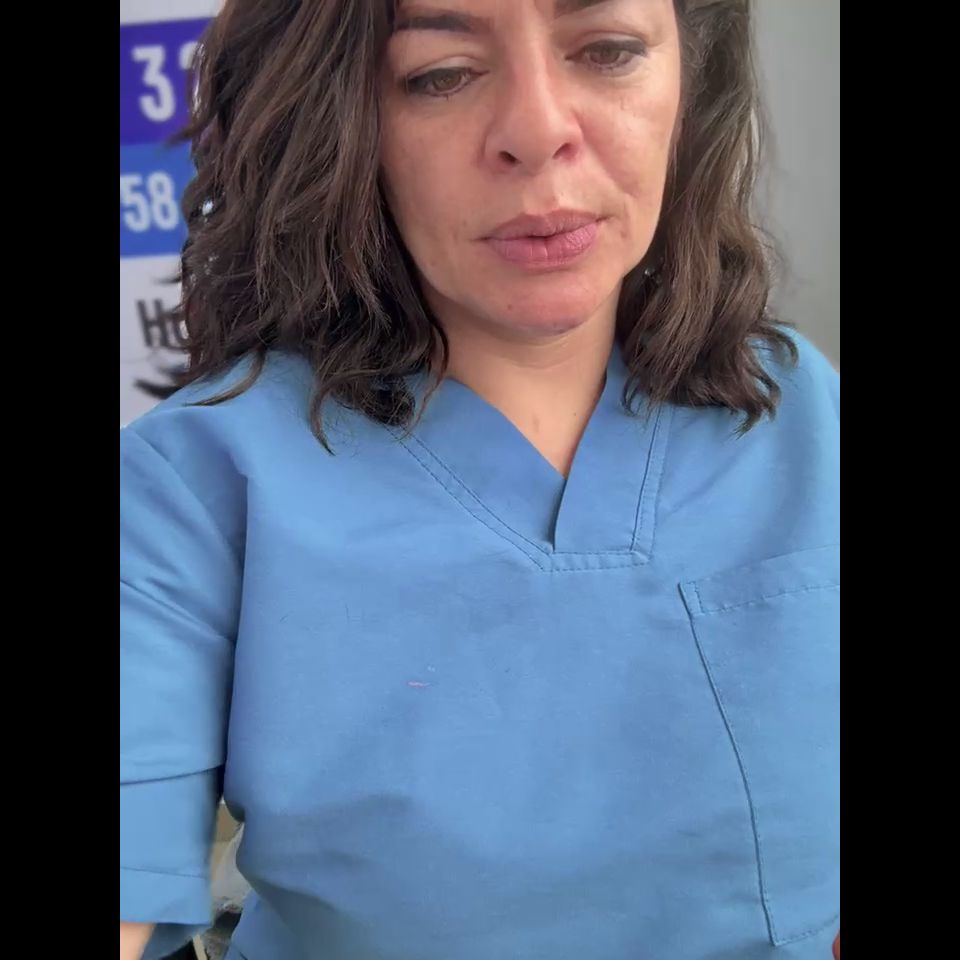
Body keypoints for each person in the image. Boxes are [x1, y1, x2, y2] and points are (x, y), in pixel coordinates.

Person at [120, 1, 840, 958]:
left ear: (689, 77)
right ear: (341, 122)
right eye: (440, 75)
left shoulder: (801, 407)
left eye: (609, 51)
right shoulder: (194, 485)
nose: (539, 131)